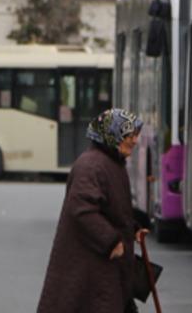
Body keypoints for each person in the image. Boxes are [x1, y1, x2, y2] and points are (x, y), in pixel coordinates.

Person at [37, 108, 145, 313]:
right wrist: (111, 240)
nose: (134, 140)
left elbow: (112, 209)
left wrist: (132, 229)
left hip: (102, 265)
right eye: (129, 135)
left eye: (135, 135)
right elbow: (82, 209)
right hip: (92, 265)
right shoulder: (92, 165)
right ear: (112, 134)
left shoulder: (111, 163)